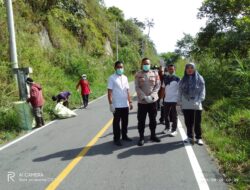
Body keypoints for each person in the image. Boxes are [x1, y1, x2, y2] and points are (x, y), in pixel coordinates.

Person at [135, 58, 161, 146]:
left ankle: (153, 135)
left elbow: (158, 85)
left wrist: (152, 96)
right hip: (142, 102)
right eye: (144, 63)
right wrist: (144, 97)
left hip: (153, 101)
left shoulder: (155, 73)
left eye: (148, 63)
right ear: (142, 64)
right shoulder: (138, 74)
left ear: (150, 64)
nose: (146, 65)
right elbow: (137, 87)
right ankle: (141, 137)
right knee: (141, 121)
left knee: (153, 120)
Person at [178, 62, 206, 145]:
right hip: (186, 103)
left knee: (197, 122)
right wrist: (179, 101)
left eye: (191, 68)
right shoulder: (183, 79)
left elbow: (202, 91)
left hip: (196, 103)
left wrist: (199, 101)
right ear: (185, 70)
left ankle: (198, 137)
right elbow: (180, 91)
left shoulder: (200, 78)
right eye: (188, 68)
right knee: (188, 122)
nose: (190, 70)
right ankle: (189, 136)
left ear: (194, 69)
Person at [108, 61, 133, 146]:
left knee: (125, 121)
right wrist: (111, 104)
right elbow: (110, 92)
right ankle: (116, 138)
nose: (120, 68)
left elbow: (127, 90)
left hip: (125, 104)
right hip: (116, 105)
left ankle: (125, 136)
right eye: (118, 67)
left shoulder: (125, 77)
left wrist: (130, 102)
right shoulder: (111, 78)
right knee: (116, 123)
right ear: (115, 68)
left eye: (121, 67)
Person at [161, 64, 180, 137]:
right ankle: (167, 127)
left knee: (174, 115)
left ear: (175, 69)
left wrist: (179, 99)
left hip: (175, 100)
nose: (171, 70)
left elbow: (180, 90)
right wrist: (161, 99)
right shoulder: (165, 78)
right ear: (167, 70)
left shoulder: (178, 78)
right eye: (169, 69)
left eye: (172, 69)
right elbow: (163, 89)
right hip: (166, 100)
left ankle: (174, 130)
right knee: (166, 115)